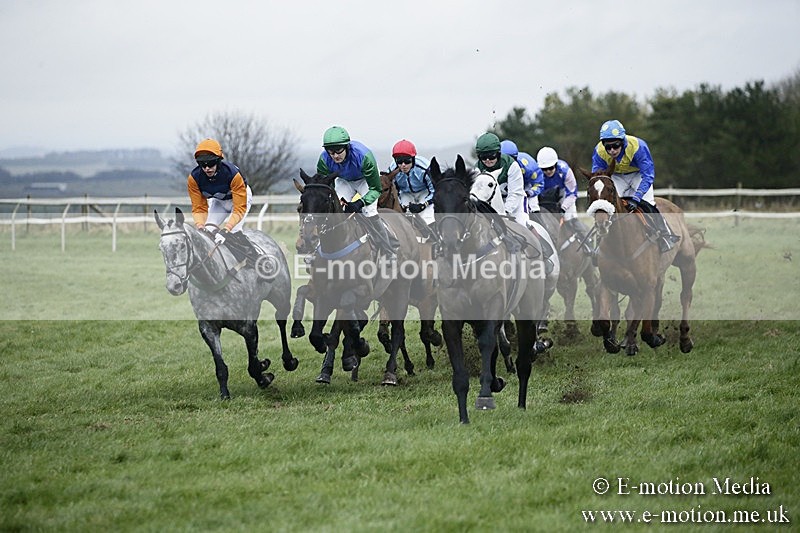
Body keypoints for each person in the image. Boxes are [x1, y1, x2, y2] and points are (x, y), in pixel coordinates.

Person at [591, 119, 680, 253]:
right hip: (617, 177)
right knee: (605, 205)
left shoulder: (638, 147)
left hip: (638, 175)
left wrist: (637, 198)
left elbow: (648, 175)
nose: (612, 150)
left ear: (622, 141)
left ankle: (665, 235)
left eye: (615, 145)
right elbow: (598, 176)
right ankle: (599, 243)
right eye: (607, 147)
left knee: (649, 203)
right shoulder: (599, 151)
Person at [316, 125, 397, 259]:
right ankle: (319, 250)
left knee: (369, 211)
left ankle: (389, 249)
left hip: (365, 180)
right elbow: (324, 185)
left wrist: (360, 202)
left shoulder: (364, 157)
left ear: (347, 147)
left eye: (338, 151)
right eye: (331, 152)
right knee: (333, 211)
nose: (335, 156)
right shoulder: (324, 160)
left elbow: (376, 189)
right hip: (344, 181)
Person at [188, 138, 253, 247]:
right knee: (207, 232)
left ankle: (256, 258)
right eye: (203, 165)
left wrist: (226, 229)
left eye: (211, 163)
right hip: (219, 202)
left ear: (218, 161)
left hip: (241, 200)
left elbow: (239, 208)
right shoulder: (194, 179)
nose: (207, 168)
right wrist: (200, 226)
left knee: (233, 233)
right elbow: (199, 207)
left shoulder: (233, 174)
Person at [536, 146, 590, 252]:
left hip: (563, 195)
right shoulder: (536, 172)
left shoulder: (565, 170)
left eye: (551, 168)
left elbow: (572, 193)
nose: (547, 171)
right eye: (544, 169)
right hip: (544, 198)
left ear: (556, 164)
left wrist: (563, 208)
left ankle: (588, 245)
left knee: (570, 218)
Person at [474, 132, 527, 227]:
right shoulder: (477, 169)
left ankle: (538, 240)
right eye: (483, 157)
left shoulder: (511, 165)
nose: (487, 160)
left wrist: (506, 212)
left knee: (523, 224)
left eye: (491, 156)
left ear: (498, 153)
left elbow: (515, 192)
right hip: (492, 204)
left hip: (515, 204)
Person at [388, 139, 435, 227]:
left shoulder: (424, 168)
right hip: (405, 193)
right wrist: (402, 205)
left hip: (424, 192)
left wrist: (424, 205)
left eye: (407, 161)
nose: (403, 165)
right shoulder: (392, 170)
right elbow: (394, 191)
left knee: (427, 217)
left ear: (413, 159)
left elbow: (434, 190)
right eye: (399, 161)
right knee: (406, 218)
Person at [500, 139, 544, 217]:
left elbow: (539, 184)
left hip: (526, 187)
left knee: (533, 209)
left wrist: (530, 192)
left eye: (511, 160)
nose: (508, 163)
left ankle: (540, 226)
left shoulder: (530, 167)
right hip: (507, 189)